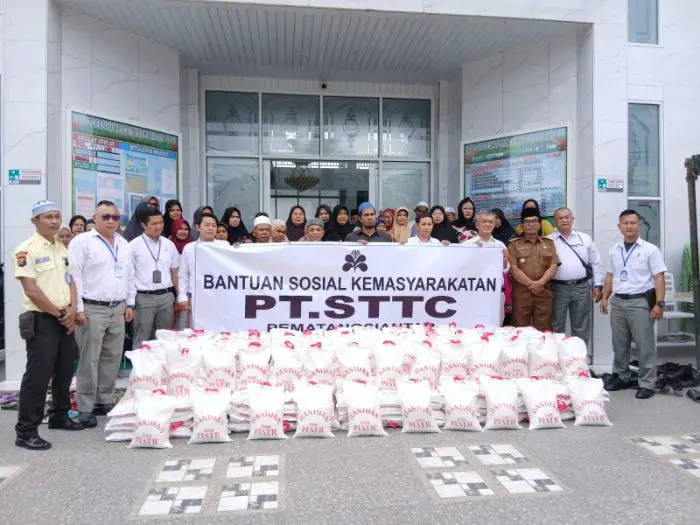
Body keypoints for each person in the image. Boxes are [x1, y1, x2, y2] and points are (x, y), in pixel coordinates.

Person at [14, 201, 84, 451]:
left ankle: (59, 415)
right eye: (48, 217)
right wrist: (59, 313)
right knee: (38, 376)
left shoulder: (61, 248)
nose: (54, 221)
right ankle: (26, 431)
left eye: (57, 216)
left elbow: (71, 280)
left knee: (64, 371)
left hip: (65, 317)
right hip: (42, 319)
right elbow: (31, 290)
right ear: (35, 221)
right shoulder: (26, 250)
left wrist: (72, 309)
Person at [69, 200, 135, 428]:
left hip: (117, 307)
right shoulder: (82, 242)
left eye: (115, 217)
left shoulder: (123, 244)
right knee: (89, 358)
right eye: (105, 217)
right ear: (95, 218)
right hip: (91, 308)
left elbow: (129, 274)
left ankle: (104, 399)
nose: (111, 221)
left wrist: (130, 303)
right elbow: (74, 277)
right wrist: (78, 309)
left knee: (112, 356)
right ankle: (85, 407)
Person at [600, 209, 667, 399]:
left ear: (639, 225)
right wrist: (605, 297)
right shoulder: (615, 250)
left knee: (645, 345)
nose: (629, 226)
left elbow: (659, 277)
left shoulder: (650, 250)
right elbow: (610, 275)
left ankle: (647, 383)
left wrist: (659, 304)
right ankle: (621, 376)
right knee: (619, 344)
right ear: (619, 226)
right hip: (618, 302)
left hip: (640, 302)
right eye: (625, 223)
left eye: (633, 223)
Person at [547, 207, 604, 345]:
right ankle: (557, 356)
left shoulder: (584, 239)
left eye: (567, 217)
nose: (564, 220)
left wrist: (598, 285)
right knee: (556, 324)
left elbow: (596, 262)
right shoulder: (548, 240)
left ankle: (579, 356)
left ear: (572, 219)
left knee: (581, 325)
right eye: (560, 218)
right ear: (555, 221)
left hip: (581, 288)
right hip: (557, 288)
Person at [129, 208, 179, 350]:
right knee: (142, 337)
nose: (158, 226)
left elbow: (175, 272)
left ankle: (162, 363)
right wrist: (130, 302)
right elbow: (129, 276)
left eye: (161, 223)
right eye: (154, 223)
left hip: (166, 296)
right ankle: (139, 363)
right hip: (143, 297)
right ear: (143, 225)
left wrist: (179, 295)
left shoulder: (169, 244)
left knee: (164, 337)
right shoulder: (133, 246)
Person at [507, 207, 560, 331]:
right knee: (521, 330)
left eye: (534, 221)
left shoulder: (549, 243)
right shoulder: (513, 244)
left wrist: (540, 283)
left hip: (543, 293)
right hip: (522, 294)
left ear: (539, 225)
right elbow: (514, 268)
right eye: (527, 221)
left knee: (543, 330)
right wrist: (531, 284)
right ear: (522, 226)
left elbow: (553, 266)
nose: (531, 224)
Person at [466, 211, 511, 324]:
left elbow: (505, 270)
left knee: (495, 325)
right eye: (484, 221)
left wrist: (505, 260)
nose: (487, 224)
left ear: (494, 224)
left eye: (491, 222)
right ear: (477, 225)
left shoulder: (500, 245)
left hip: (495, 293)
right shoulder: (467, 245)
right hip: (473, 292)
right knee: (472, 325)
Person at [177, 214, 218, 327]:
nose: (211, 228)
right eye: (207, 225)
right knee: (196, 328)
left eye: (214, 225)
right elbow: (183, 274)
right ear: (198, 227)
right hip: (196, 296)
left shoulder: (224, 247)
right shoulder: (189, 248)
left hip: (218, 295)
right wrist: (182, 296)